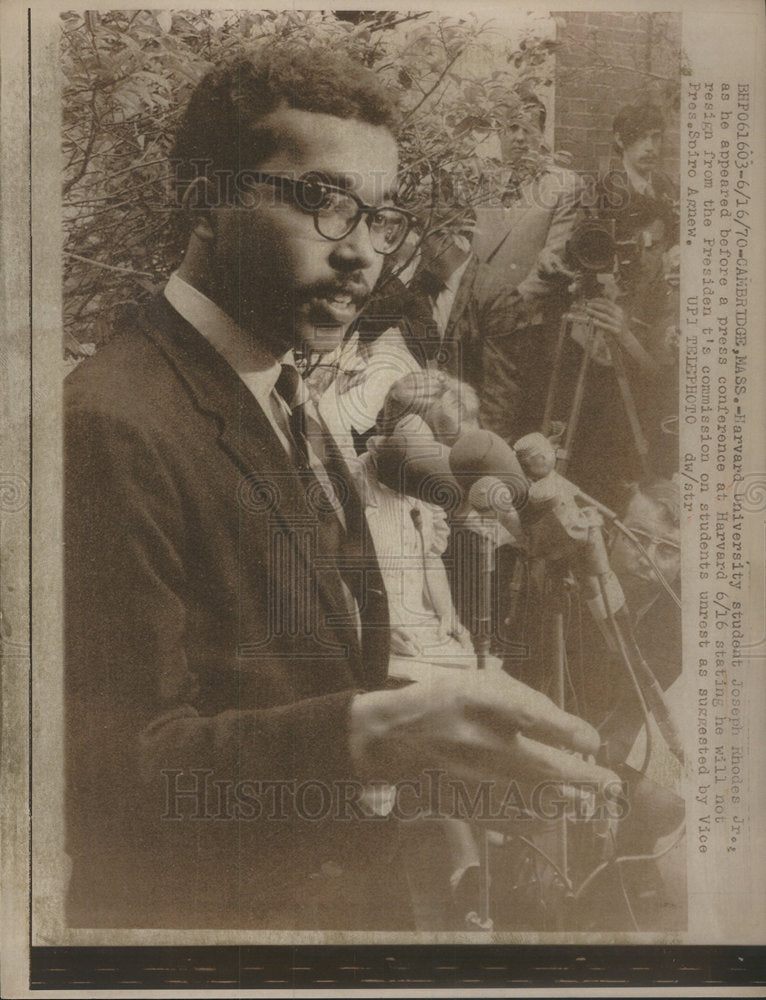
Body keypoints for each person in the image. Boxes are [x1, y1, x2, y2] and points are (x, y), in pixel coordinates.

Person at [64, 42, 616, 930]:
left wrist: (515, 505)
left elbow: (312, 636)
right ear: (206, 199)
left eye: (380, 219)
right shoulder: (111, 421)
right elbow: (118, 774)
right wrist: (381, 734)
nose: (364, 256)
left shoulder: (278, 386)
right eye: (323, 203)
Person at [407, 216, 530, 443]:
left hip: (472, 439)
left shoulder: (498, 297)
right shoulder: (417, 285)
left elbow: (500, 398)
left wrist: (475, 455)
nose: (410, 243)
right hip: (423, 430)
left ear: (444, 239)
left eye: (417, 234)